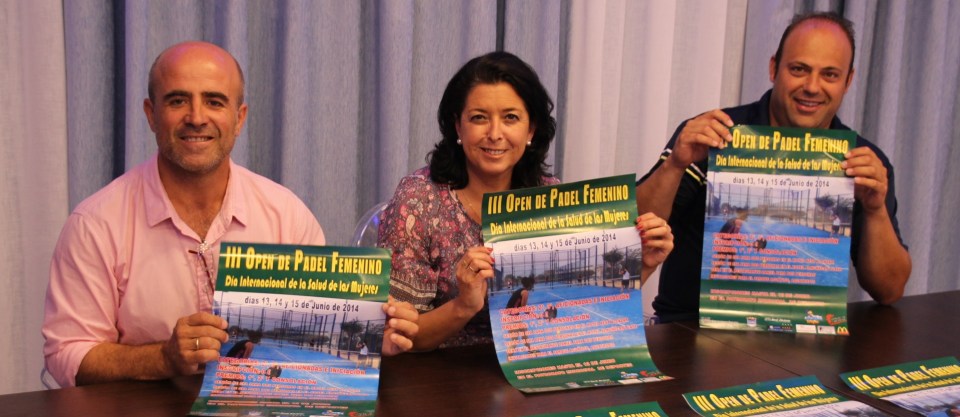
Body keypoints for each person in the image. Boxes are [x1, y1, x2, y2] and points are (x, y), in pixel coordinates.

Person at [42, 41, 419, 388]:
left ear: (239, 119)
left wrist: (362, 339)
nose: (196, 117)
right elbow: (67, 355)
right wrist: (162, 358)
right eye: (177, 101)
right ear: (151, 114)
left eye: (214, 101)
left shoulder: (284, 213)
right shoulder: (96, 224)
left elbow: (309, 345)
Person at [379, 51, 674, 350]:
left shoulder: (551, 196)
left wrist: (644, 265)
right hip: (442, 378)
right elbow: (397, 337)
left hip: (534, 366)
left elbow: (584, 315)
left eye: (510, 118)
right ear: (458, 127)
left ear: (531, 129)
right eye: (479, 118)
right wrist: (463, 306)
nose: (495, 134)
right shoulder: (418, 200)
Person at [636, 12, 911, 323]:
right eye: (799, 69)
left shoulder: (863, 160)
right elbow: (634, 235)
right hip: (691, 330)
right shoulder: (713, 134)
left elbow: (889, 290)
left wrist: (875, 210)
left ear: (848, 81)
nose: (812, 86)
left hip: (803, 337)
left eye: (830, 75)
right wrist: (675, 165)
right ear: (773, 68)